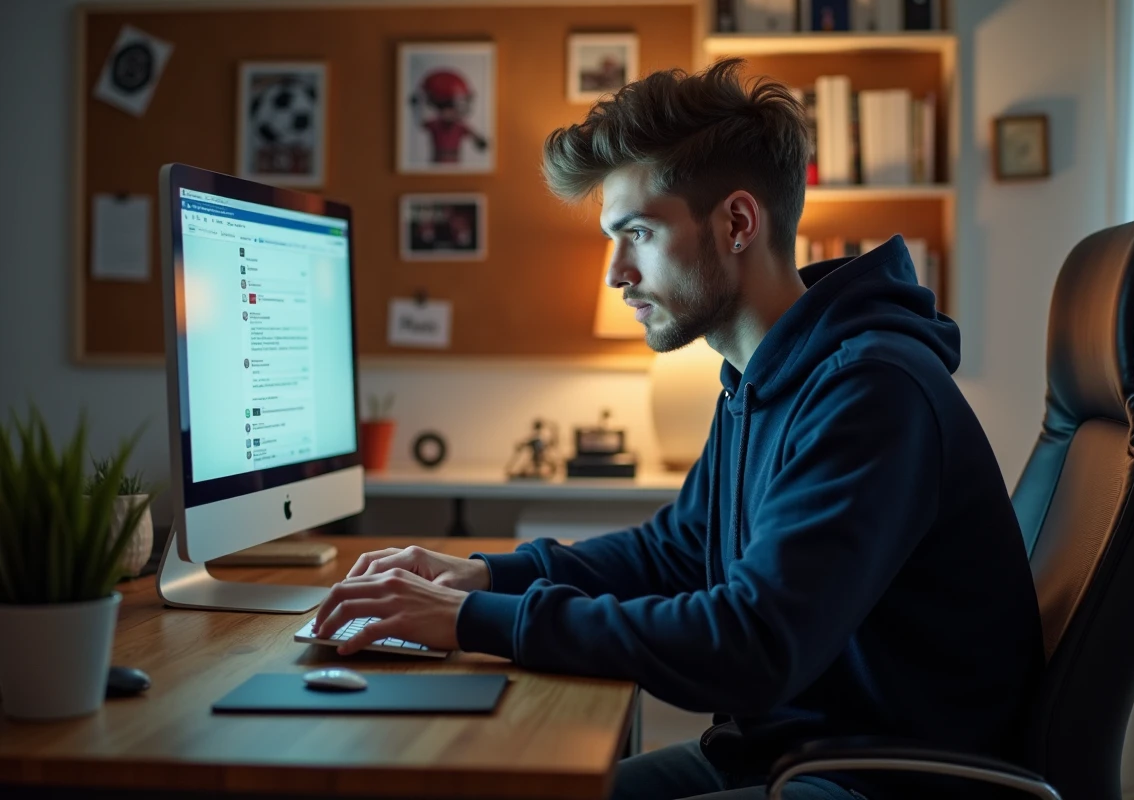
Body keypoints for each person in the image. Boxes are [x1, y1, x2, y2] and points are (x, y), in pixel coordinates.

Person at [313, 59, 1044, 800]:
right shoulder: (765, 377)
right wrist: (486, 576)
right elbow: (676, 552)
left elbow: (752, 645)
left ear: (735, 223)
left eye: (637, 232)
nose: (616, 272)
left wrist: (476, 620)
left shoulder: (868, 389)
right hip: (784, 755)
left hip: (876, 781)